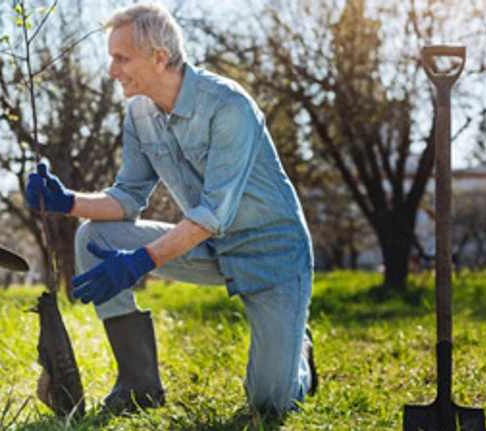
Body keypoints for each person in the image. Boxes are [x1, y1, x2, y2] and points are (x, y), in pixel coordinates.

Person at [24, 3, 316, 416]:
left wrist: (140, 261)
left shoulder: (229, 106)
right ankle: (138, 385)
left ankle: (297, 356)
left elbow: (214, 214)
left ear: (159, 57)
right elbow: (127, 197)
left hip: (273, 256)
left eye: (121, 58)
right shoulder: (139, 112)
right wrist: (66, 201)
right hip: (210, 250)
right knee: (94, 235)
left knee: (269, 403)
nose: (112, 71)